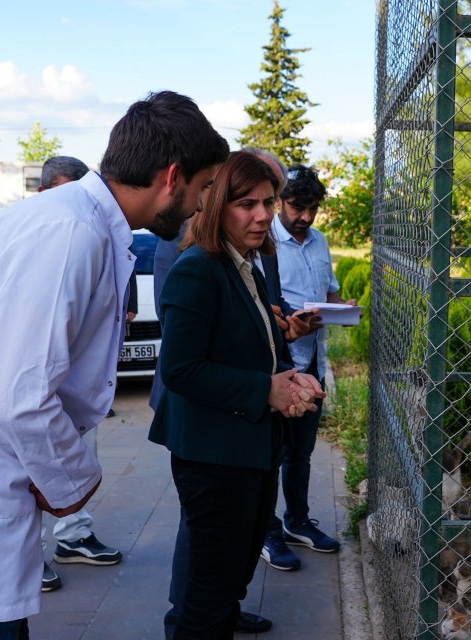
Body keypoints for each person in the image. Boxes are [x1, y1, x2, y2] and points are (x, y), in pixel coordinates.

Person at [0, 91, 229, 639]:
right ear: (173, 177)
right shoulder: (68, 231)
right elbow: (18, 394)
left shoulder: (85, 224)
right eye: (204, 187)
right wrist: (74, 479)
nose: (201, 204)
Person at [150, 150, 324, 639]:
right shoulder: (198, 268)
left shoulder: (242, 262)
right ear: (216, 204)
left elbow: (251, 345)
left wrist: (290, 378)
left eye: (268, 202)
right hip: (214, 456)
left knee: (228, 588)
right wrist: (264, 390)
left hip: (249, 450)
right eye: (247, 203)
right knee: (204, 602)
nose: (263, 215)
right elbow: (181, 369)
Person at [34, 156, 125, 593]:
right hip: (36, 390)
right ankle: (28, 557)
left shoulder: (90, 234)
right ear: (43, 193)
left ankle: (72, 536)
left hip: (72, 383)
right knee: (31, 468)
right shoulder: (42, 234)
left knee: (77, 449)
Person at [259, 164, 353, 572]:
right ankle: (266, 533)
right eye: (298, 206)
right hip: (277, 363)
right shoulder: (263, 243)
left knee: (301, 453)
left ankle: (297, 521)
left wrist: (340, 307)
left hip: (313, 360)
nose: (306, 217)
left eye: (313, 208)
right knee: (267, 454)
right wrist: (289, 327)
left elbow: (328, 289)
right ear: (280, 202)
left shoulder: (319, 241)